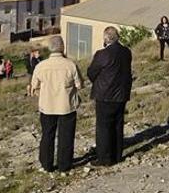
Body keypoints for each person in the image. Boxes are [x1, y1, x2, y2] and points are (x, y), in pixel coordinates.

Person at [29, 36, 85, 173]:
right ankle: (64, 165)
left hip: (47, 106)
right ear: (63, 48)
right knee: (66, 136)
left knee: (47, 135)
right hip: (66, 105)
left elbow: (34, 87)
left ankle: (46, 164)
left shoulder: (40, 66)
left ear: (49, 49)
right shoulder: (70, 65)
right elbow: (80, 85)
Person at [87, 26, 133, 166]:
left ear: (106, 38)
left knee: (104, 127)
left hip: (105, 94)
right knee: (118, 125)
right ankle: (117, 155)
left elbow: (91, 72)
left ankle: (104, 158)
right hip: (121, 94)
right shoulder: (126, 52)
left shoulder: (102, 54)